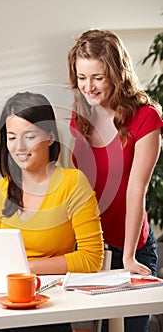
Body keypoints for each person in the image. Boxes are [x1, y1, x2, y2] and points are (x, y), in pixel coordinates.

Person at [67, 28, 163, 332]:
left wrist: (130, 257)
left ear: (117, 74)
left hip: (130, 246)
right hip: (90, 247)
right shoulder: (79, 116)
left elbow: (137, 189)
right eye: (82, 78)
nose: (88, 87)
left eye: (97, 77)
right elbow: (76, 186)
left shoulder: (146, 118)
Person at [0, 91, 104, 332]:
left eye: (29, 136)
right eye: (11, 137)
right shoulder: (2, 188)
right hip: (3, 303)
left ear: (50, 136)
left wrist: (27, 267)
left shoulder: (73, 183)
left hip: (49, 307)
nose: (19, 147)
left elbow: (91, 259)